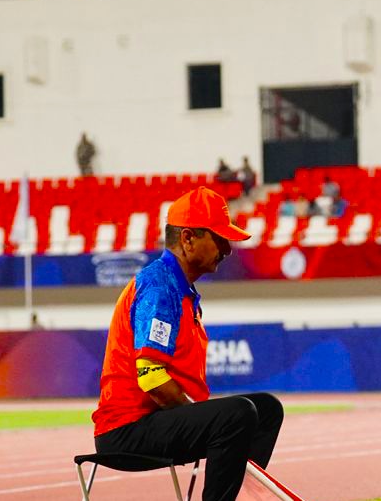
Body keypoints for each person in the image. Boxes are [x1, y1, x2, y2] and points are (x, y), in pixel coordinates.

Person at [91, 188, 283, 501]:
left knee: (267, 409)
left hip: (153, 420)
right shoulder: (159, 286)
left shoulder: (180, 288)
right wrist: (201, 418)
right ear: (188, 238)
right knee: (237, 414)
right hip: (126, 430)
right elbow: (151, 377)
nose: (228, 249)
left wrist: (202, 419)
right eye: (219, 238)